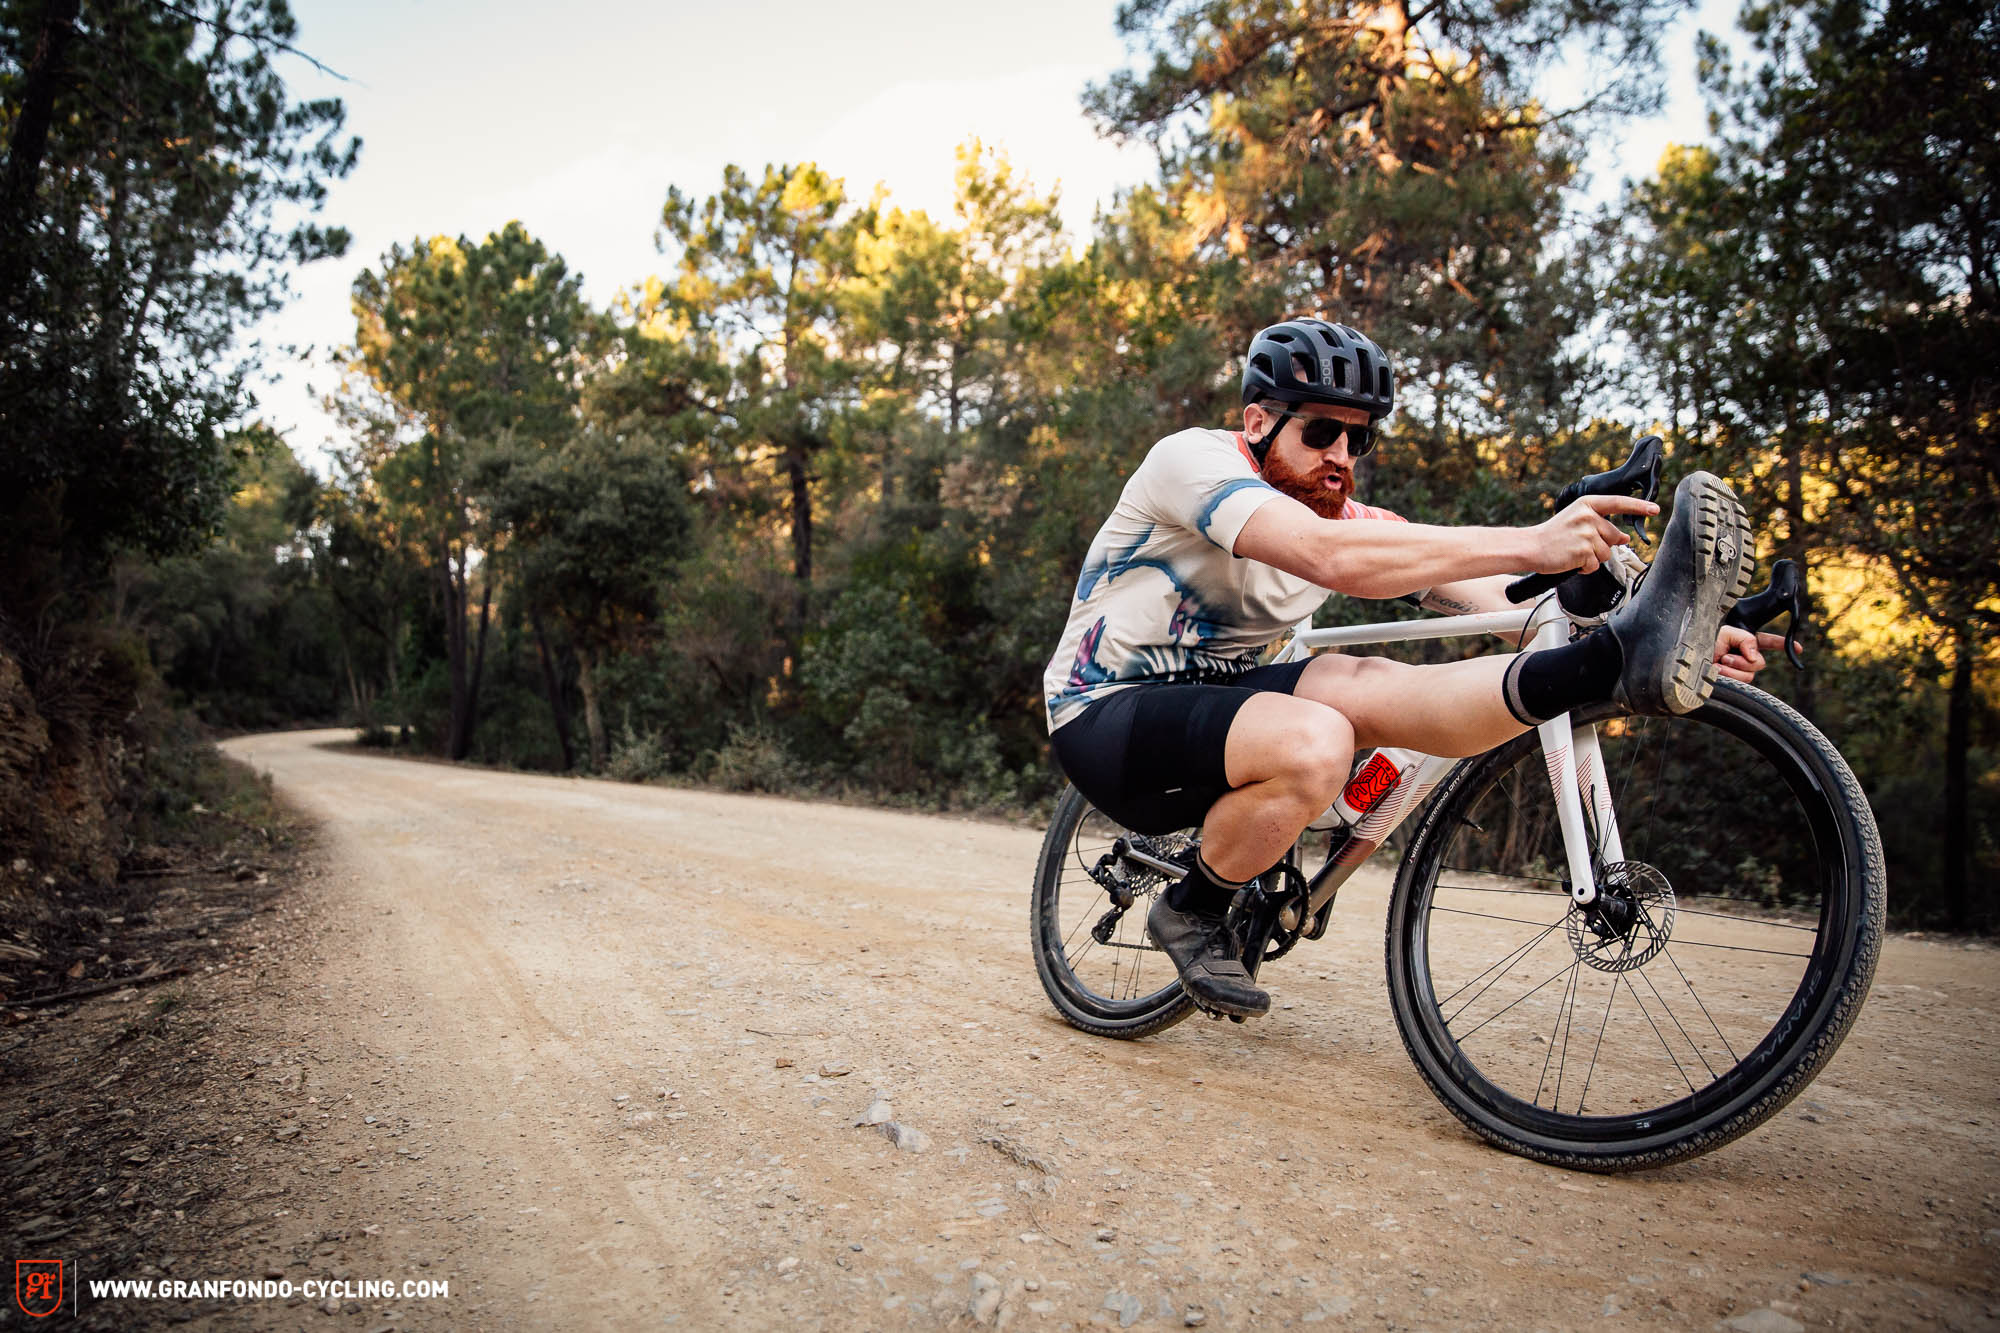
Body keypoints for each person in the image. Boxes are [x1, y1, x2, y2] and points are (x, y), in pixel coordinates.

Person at [1042, 318, 1782, 1019]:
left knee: (1357, 680)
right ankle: (1194, 906)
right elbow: (1323, 555)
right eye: (1321, 430)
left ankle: (1610, 665)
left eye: (1357, 438)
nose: (1341, 454)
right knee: (1319, 738)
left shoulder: (1359, 524)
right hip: (1107, 710)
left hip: (1228, 705)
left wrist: (1683, 625)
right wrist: (1533, 541)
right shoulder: (1193, 463)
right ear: (1259, 422)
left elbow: (1511, 603)